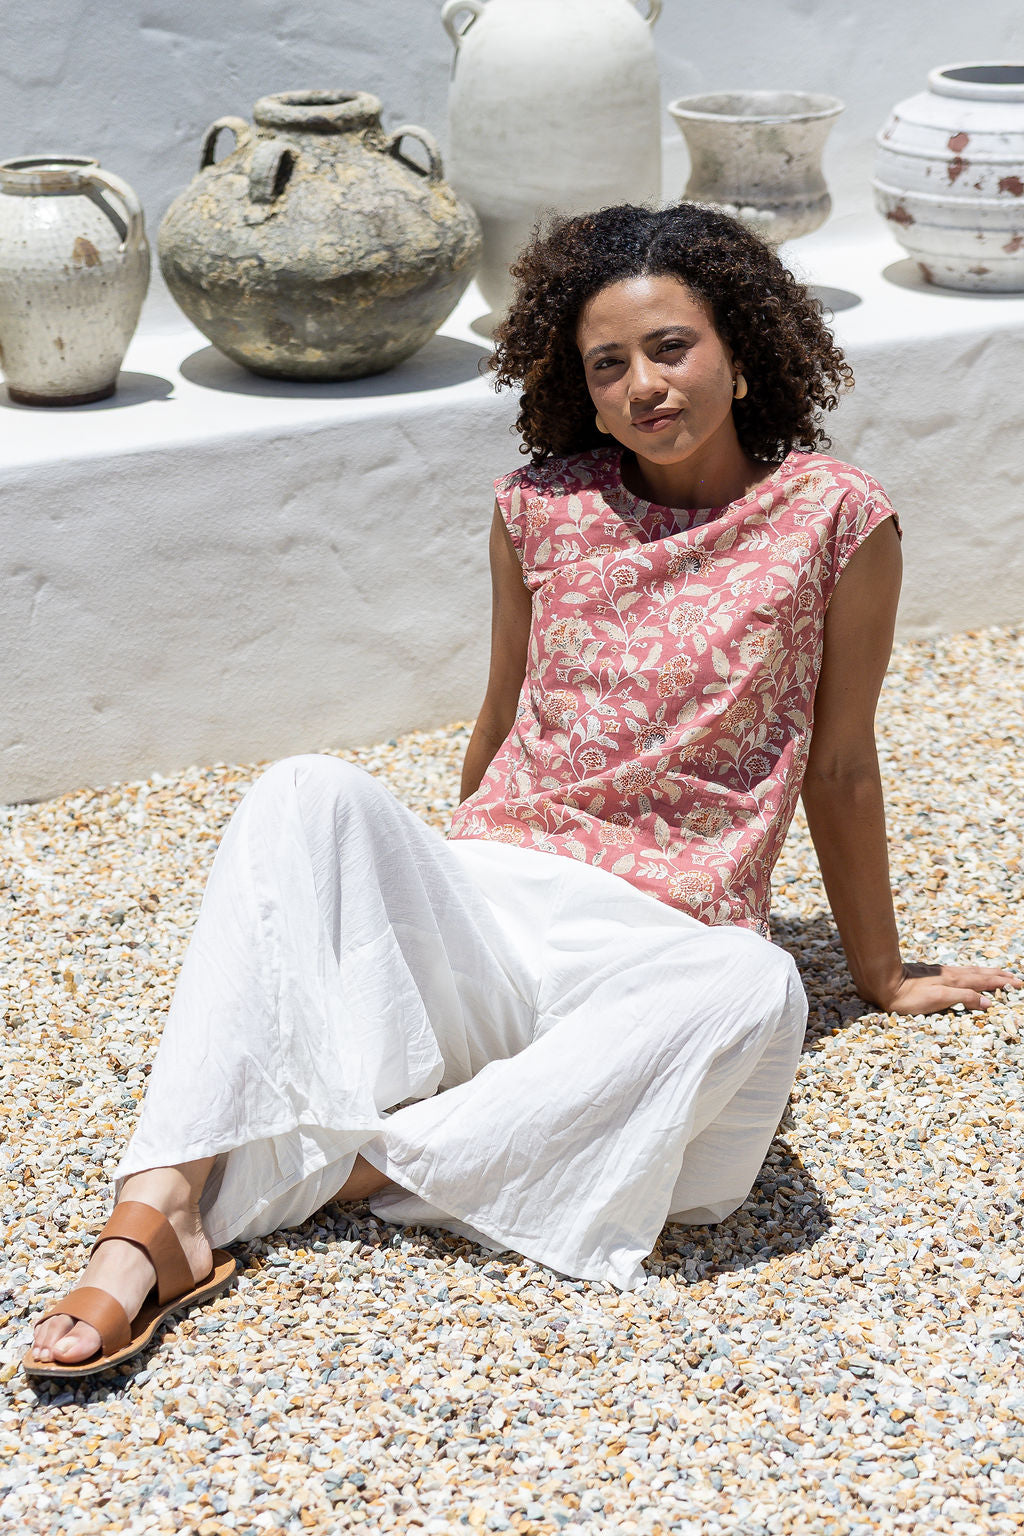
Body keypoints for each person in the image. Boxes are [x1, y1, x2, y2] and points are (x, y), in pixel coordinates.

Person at [26, 203, 1020, 1377]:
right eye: (610, 365)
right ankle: (162, 1207)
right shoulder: (537, 508)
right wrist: (417, 912)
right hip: (498, 900)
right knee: (305, 790)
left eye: (671, 347)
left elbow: (840, 763)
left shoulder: (838, 519)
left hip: (664, 942)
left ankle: (332, 1173)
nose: (645, 384)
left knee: (755, 988)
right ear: (582, 388)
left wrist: (878, 972)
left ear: (741, 353)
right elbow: (499, 720)